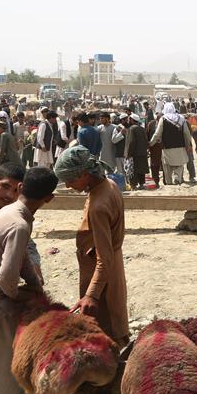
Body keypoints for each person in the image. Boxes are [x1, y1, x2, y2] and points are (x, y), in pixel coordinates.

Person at [0, 167, 56, 394]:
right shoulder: (18, 223)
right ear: (49, 198)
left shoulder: (12, 212)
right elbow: (5, 277)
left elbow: (22, 255)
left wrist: (34, 284)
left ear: (20, 188)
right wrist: (18, 298)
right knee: (2, 354)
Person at [54, 146, 129, 346]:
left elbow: (104, 259)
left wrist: (91, 294)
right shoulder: (108, 185)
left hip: (104, 275)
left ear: (85, 174)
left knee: (107, 334)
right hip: (109, 267)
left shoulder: (99, 206)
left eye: (70, 180)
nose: (69, 186)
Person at [0, 164, 44, 284]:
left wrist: (35, 270)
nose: (10, 195)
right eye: (5, 186)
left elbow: (26, 242)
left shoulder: (14, 210)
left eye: (16, 190)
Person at [149, 102, 192, 185]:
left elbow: (157, 134)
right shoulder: (181, 118)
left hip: (167, 148)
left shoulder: (163, 119)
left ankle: (169, 183)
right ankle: (177, 178)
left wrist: (151, 143)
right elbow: (187, 134)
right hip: (180, 148)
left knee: (167, 167)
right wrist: (188, 145)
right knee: (179, 165)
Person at [124, 114, 149, 190]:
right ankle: (141, 184)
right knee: (141, 170)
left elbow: (131, 142)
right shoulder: (142, 129)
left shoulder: (131, 129)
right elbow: (146, 141)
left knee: (133, 170)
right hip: (142, 153)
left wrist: (128, 153)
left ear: (132, 120)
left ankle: (133, 186)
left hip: (134, 154)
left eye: (129, 119)